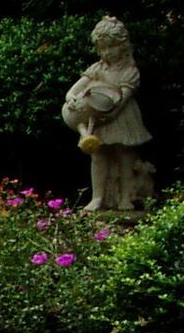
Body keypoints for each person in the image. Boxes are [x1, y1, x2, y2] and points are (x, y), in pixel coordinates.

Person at [62, 16, 155, 211]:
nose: (107, 52)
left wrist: (112, 114)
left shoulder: (130, 71)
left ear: (122, 45)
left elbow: (124, 98)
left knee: (125, 156)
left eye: (111, 47)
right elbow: (73, 90)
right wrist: (72, 99)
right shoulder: (96, 69)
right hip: (97, 116)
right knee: (98, 156)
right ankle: (97, 197)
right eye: (102, 48)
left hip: (121, 117)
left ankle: (125, 197)